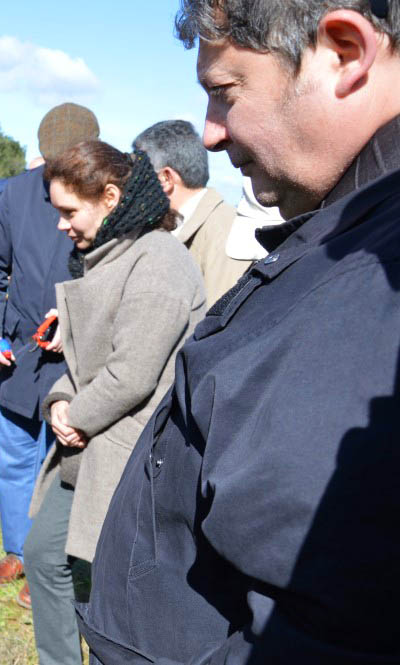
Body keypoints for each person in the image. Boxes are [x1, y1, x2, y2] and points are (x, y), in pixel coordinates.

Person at [77, 2, 400, 663]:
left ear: (344, 52)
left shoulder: (378, 283)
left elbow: (320, 629)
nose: (212, 135)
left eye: (224, 92)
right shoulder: (347, 242)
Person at [22, 141, 205, 665]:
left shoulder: (159, 261)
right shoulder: (106, 254)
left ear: (109, 197)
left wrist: (74, 417)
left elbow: (132, 373)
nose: (61, 225)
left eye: (68, 212)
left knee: (118, 588)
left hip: (132, 454)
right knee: (43, 554)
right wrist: (60, 401)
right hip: (88, 438)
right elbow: (85, 357)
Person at [0, 102, 100, 610]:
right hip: (20, 354)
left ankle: (52, 564)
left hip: (76, 361)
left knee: (63, 462)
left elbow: (113, 284)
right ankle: (18, 550)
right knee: (15, 457)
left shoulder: (108, 202)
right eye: (52, 167)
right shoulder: (18, 194)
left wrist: (73, 327)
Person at [133, 119, 245, 305]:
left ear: (166, 179)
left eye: (139, 175)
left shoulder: (227, 233)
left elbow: (217, 325)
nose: (133, 187)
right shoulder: (168, 230)